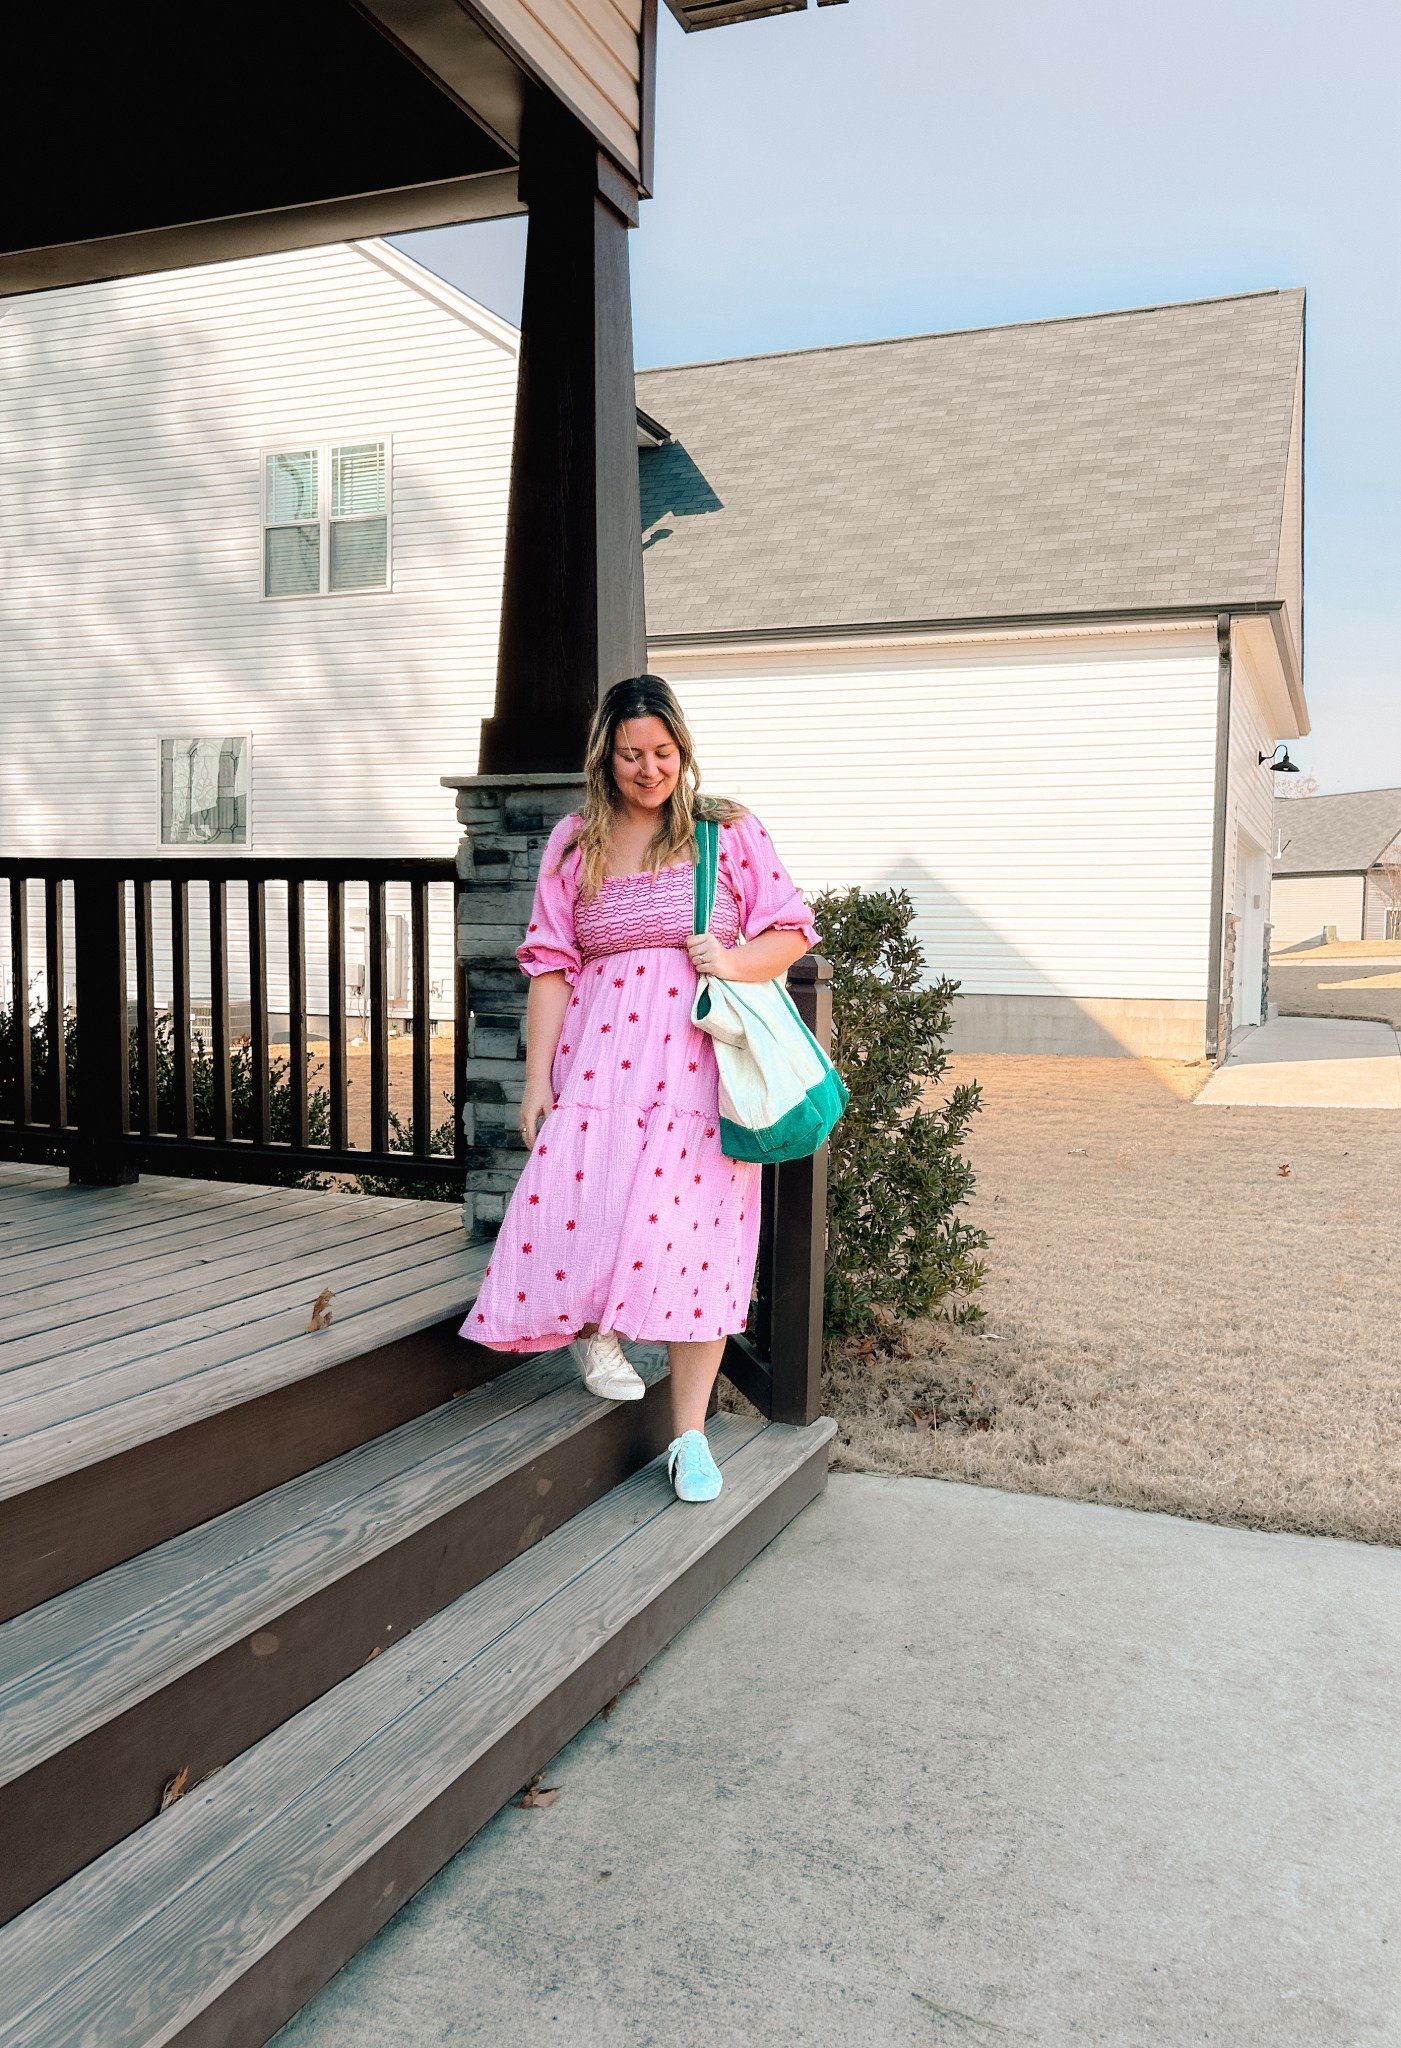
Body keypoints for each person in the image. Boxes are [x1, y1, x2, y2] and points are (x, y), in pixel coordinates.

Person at [462, 675, 817, 1503]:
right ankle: (592, 1329)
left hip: (703, 1072)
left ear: (682, 751)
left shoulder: (723, 834)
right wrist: (537, 1077)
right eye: (630, 755)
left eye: (661, 752)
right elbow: (550, 965)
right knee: (582, 1201)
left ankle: (690, 1437)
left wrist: (728, 962)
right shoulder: (573, 841)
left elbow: (790, 929)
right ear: (605, 757)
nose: (648, 770)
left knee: (701, 1243)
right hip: (599, 1065)